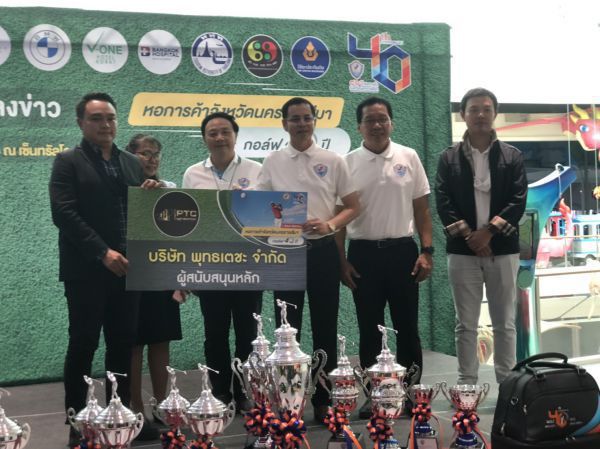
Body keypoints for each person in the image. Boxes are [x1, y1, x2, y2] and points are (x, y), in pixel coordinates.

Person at [49, 92, 160, 448]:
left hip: (129, 268)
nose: (105, 124)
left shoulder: (131, 163)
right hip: (87, 270)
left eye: (110, 117)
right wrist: (102, 252)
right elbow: (64, 214)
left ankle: (121, 417)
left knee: (122, 343)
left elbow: (139, 211)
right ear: (81, 123)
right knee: (83, 344)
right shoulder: (67, 161)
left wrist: (152, 194)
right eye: (96, 118)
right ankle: (77, 422)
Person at [256, 97, 360, 423]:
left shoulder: (332, 160)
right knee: (287, 332)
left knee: (325, 327)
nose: (301, 123)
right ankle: (291, 401)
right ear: (284, 123)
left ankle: (323, 399)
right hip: (286, 253)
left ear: (314, 121)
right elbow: (260, 208)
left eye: (306, 118)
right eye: (295, 118)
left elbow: (353, 206)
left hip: (323, 251)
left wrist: (330, 224)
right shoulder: (272, 161)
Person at [336, 97, 433, 418]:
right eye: (370, 120)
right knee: (369, 328)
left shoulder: (409, 156)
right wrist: (341, 261)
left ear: (391, 122)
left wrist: (427, 251)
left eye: (382, 119)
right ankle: (376, 396)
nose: (377, 125)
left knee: (407, 327)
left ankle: (412, 394)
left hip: (403, 253)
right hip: (362, 255)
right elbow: (339, 217)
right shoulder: (347, 163)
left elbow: (422, 211)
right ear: (359, 126)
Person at [435, 87, 527, 385]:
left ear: (495, 114)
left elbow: (518, 200)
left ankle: (508, 385)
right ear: (463, 115)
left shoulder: (512, 156)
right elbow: (443, 202)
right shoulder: (448, 158)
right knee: (465, 324)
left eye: (487, 109)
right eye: (474, 109)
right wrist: (471, 238)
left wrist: (487, 233)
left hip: (503, 250)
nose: (480, 115)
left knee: (505, 323)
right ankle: (467, 386)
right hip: (462, 251)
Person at [182, 112, 262, 412]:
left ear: (235, 135)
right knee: (214, 334)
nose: (219, 137)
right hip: (210, 267)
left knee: (248, 333)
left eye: (225, 131)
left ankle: (243, 391)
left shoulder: (257, 170)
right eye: (212, 133)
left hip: (248, 267)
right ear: (205, 138)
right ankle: (219, 392)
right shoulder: (193, 174)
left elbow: (268, 219)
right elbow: (189, 223)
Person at [125, 134, 182, 435]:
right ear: (130, 156)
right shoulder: (121, 188)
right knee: (133, 343)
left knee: (161, 341)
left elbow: (180, 233)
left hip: (162, 275)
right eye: (145, 153)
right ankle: (136, 409)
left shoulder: (169, 188)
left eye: (156, 153)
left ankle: (163, 406)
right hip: (130, 275)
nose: (151, 159)